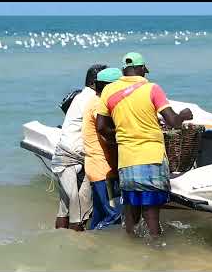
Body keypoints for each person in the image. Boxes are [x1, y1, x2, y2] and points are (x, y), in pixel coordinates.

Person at [96, 52, 193, 238]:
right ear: (141, 69)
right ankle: (156, 254)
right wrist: (185, 115)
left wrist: (123, 134)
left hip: (126, 161)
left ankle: (131, 253)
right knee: (151, 215)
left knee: (131, 215)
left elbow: (101, 127)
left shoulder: (109, 91)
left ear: (124, 70)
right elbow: (173, 122)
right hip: (151, 159)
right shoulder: (152, 89)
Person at [52, 64, 107, 231]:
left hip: (65, 154)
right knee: (78, 207)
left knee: (65, 207)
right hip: (71, 156)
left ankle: (62, 240)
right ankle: (76, 245)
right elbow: (102, 125)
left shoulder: (79, 96)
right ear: (94, 83)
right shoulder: (92, 99)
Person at [82, 68, 123, 230]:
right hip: (104, 170)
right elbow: (107, 133)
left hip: (96, 168)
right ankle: (98, 241)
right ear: (108, 87)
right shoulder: (100, 105)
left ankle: (91, 245)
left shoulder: (95, 101)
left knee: (99, 214)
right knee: (115, 215)